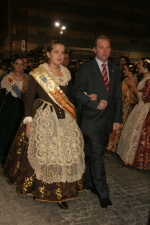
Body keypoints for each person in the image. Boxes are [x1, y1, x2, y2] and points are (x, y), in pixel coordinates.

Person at [3, 40, 85, 210]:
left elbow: (68, 97)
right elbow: (28, 99)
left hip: (65, 119)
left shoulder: (67, 73)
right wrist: (28, 122)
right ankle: (41, 188)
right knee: (45, 154)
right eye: (56, 52)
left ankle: (61, 191)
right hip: (45, 118)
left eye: (62, 52)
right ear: (48, 54)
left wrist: (86, 95)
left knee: (64, 154)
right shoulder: (37, 73)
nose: (60, 56)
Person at [71, 35, 122, 208]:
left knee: (96, 155)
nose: (105, 51)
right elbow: (75, 92)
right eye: (101, 47)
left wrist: (117, 119)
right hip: (92, 120)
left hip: (107, 121)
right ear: (94, 49)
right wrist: (94, 103)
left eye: (108, 47)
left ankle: (91, 183)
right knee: (98, 156)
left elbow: (117, 97)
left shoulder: (115, 70)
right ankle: (103, 192)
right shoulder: (86, 68)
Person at [117, 58, 150, 170]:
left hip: (144, 109)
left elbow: (145, 97)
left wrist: (133, 87)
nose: (138, 66)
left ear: (146, 66)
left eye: (140, 64)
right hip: (139, 108)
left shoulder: (149, 80)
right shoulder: (145, 79)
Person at [0, 57, 29, 164]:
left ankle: (18, 157)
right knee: (7, 130)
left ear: (24, 66)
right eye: (17, 63)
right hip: (9, 107)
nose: (19, 66)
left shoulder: (28, 78)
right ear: (13, 65)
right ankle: (5, 157)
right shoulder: (7, 78)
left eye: (21, 64)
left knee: (19, 131)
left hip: (22, 107)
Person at [107, 63, 138, 152]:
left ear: (130, 71)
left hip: (127, 106)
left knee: (121, 125)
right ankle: (113, 145)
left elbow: (131, 95)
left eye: (126, 69)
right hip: (123, 105)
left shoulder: (132, 81)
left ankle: (116, 145)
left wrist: (123, 98)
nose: (124, 71)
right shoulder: (126, 80)